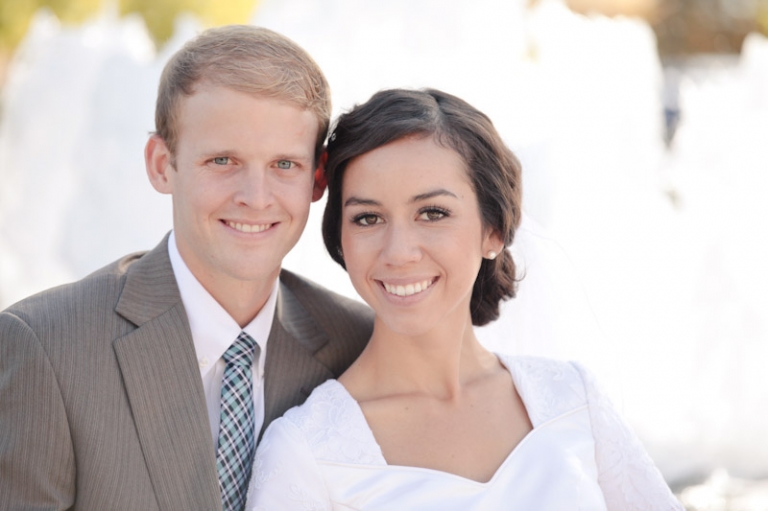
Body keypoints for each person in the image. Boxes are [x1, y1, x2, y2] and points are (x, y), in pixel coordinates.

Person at [245, 88, 684, 510]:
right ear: (341, 238)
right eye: (368, 217)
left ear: (493, 230)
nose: (399, 251)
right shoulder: (305, 451)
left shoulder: (573, 399)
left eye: (432, 213)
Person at [0, 26, 372, 510]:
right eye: (223, 160)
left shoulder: (358, 344)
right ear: (161, 164)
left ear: (318, 177)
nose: (255, 197)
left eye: (284, 165)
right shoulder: (46, 346)